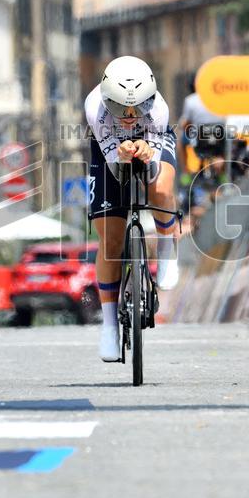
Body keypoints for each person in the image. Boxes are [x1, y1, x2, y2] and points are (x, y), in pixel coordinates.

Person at [86, 55, 179, 362]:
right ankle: (110, 325)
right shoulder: (95, 108)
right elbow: (115, 166)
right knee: (110, 240)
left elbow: (152, 169)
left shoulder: (158, 111)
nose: (128, 115)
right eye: (119, 107)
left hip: (152, 141)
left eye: (137, 106)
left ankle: (167, 246)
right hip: (109, 149)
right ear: (105, 99)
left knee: (161, 188)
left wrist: (146, 152)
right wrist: (122, 151)